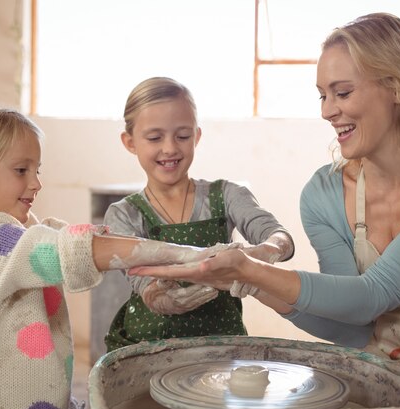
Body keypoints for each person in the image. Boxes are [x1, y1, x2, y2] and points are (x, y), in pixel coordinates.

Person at [128, 14, 400, 406]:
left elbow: (372, 296)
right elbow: (352, 326)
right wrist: (249, 284)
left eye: (342, 93)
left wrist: (253, 269)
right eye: (322, 95)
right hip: (381, 376)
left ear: (397, 88)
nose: (327, 111)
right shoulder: (324, 194)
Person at [0, 103, 234, 409]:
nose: (36, 183)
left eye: (37, 170)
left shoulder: (25, 230)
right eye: (21, 170)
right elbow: (69, 249)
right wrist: (186, 254)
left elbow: (72, 239)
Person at [103, 77, 295, 351]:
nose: (170, 148)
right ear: (130, 141)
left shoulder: (227, 195)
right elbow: (141, 280)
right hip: (147, 347)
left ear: (197, 136)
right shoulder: (124, 214)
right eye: (155, 137)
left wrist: (264, 254)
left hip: (220, 344)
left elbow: (278, 236)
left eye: (182, 136)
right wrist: (162, 299)